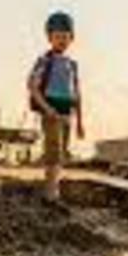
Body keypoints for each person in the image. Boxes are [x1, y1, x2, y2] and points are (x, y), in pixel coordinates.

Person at [27, 11, 85, 202]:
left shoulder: (72, 64)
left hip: (67, 113)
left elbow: (77, 94)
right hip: (51, 112)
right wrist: (46, 108)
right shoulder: (45, 60)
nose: (61, 40)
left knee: (62, 154)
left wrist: (80, 122)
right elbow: (32, 85)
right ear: (49, 38)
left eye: (65, 36)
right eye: (57, 36)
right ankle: (50, 194)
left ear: (71, 38)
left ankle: (54, 190)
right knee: (54, 151)